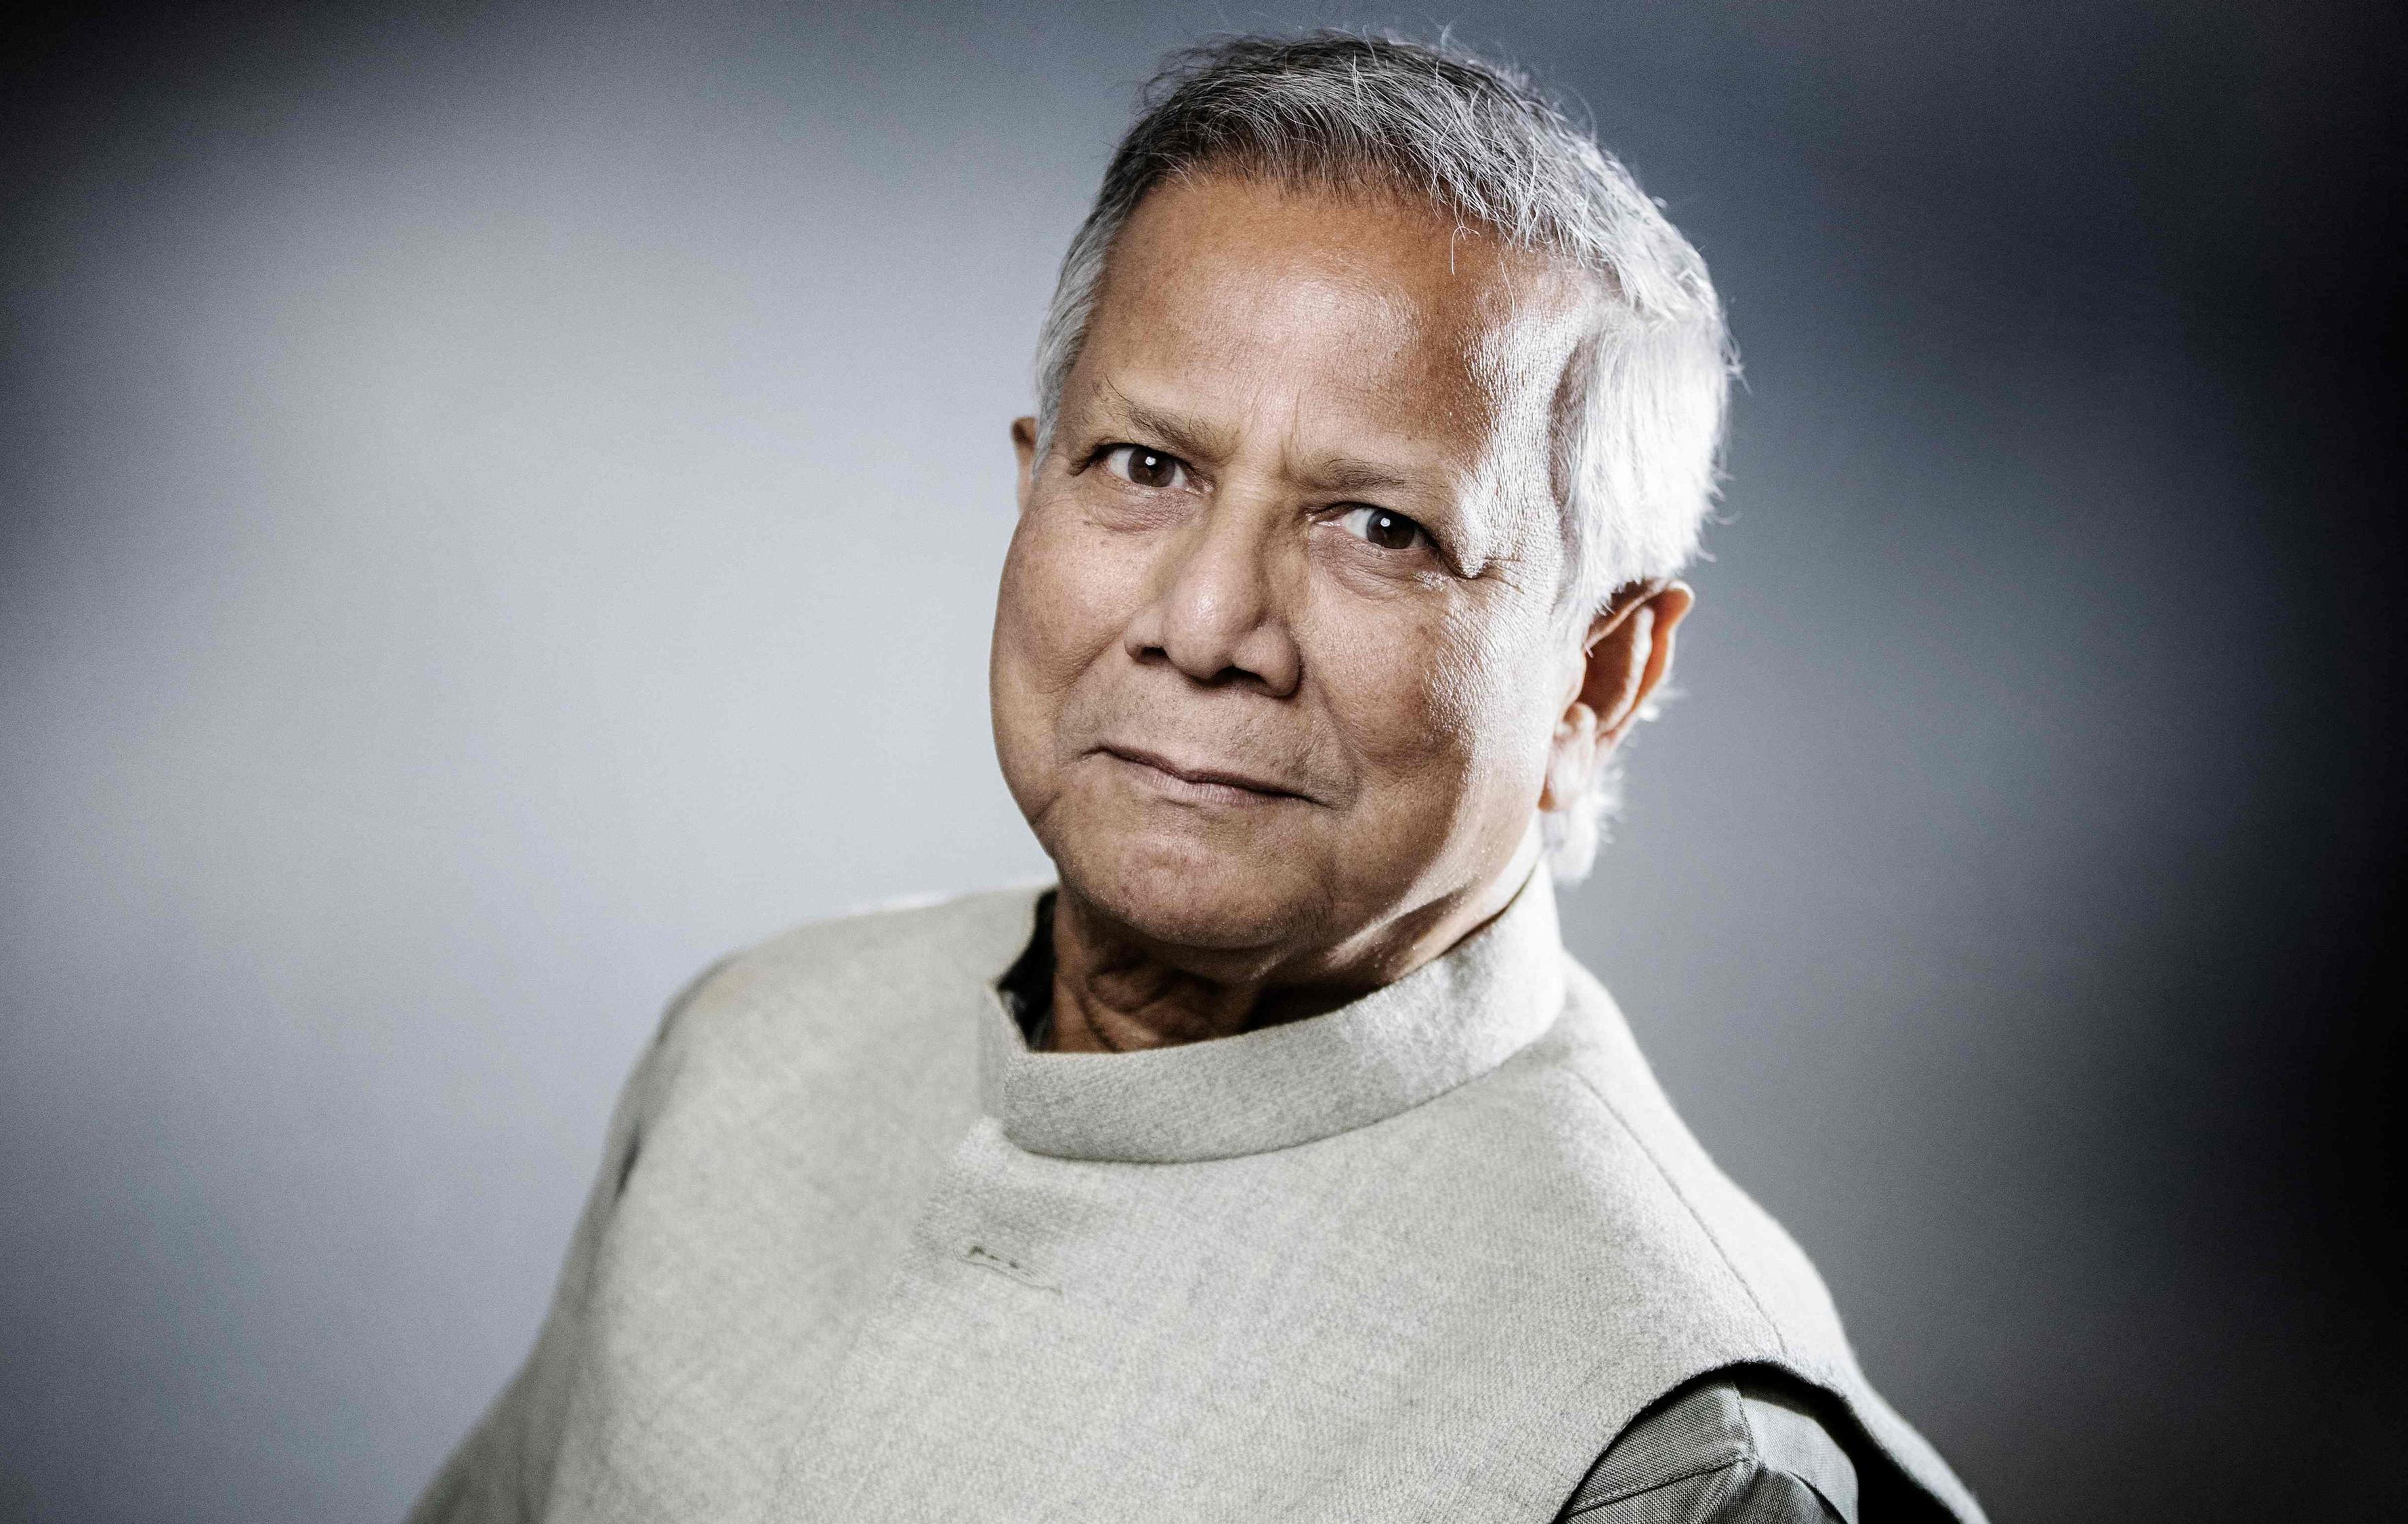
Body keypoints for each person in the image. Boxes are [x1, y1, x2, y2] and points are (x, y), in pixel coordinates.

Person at [411, 31, 1986, 1524]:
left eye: (1380, 529)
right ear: (1030, 488)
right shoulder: (752, 1046)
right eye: (1145, 467)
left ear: (1596, 679)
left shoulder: (1661, 1441)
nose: (1206, 624)